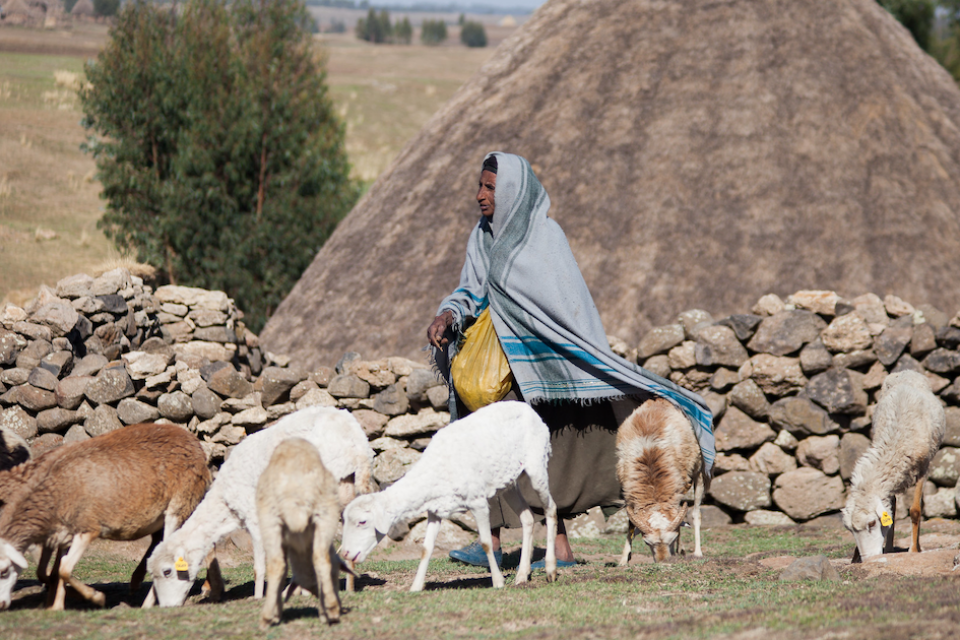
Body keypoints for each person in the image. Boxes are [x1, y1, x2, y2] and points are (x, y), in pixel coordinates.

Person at [428, 152, 715, 568]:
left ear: (510, 190)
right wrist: (449, 313)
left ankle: (555, 547)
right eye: (480, 186)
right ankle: (490, 541)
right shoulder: (482, 235)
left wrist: (540, 339)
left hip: (542, 365)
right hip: (497, 368)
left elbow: (567, 309)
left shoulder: (545, 238)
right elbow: (471, 289)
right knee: (486, 446)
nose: (480, 195)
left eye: (489, 187)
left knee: (548, 455)